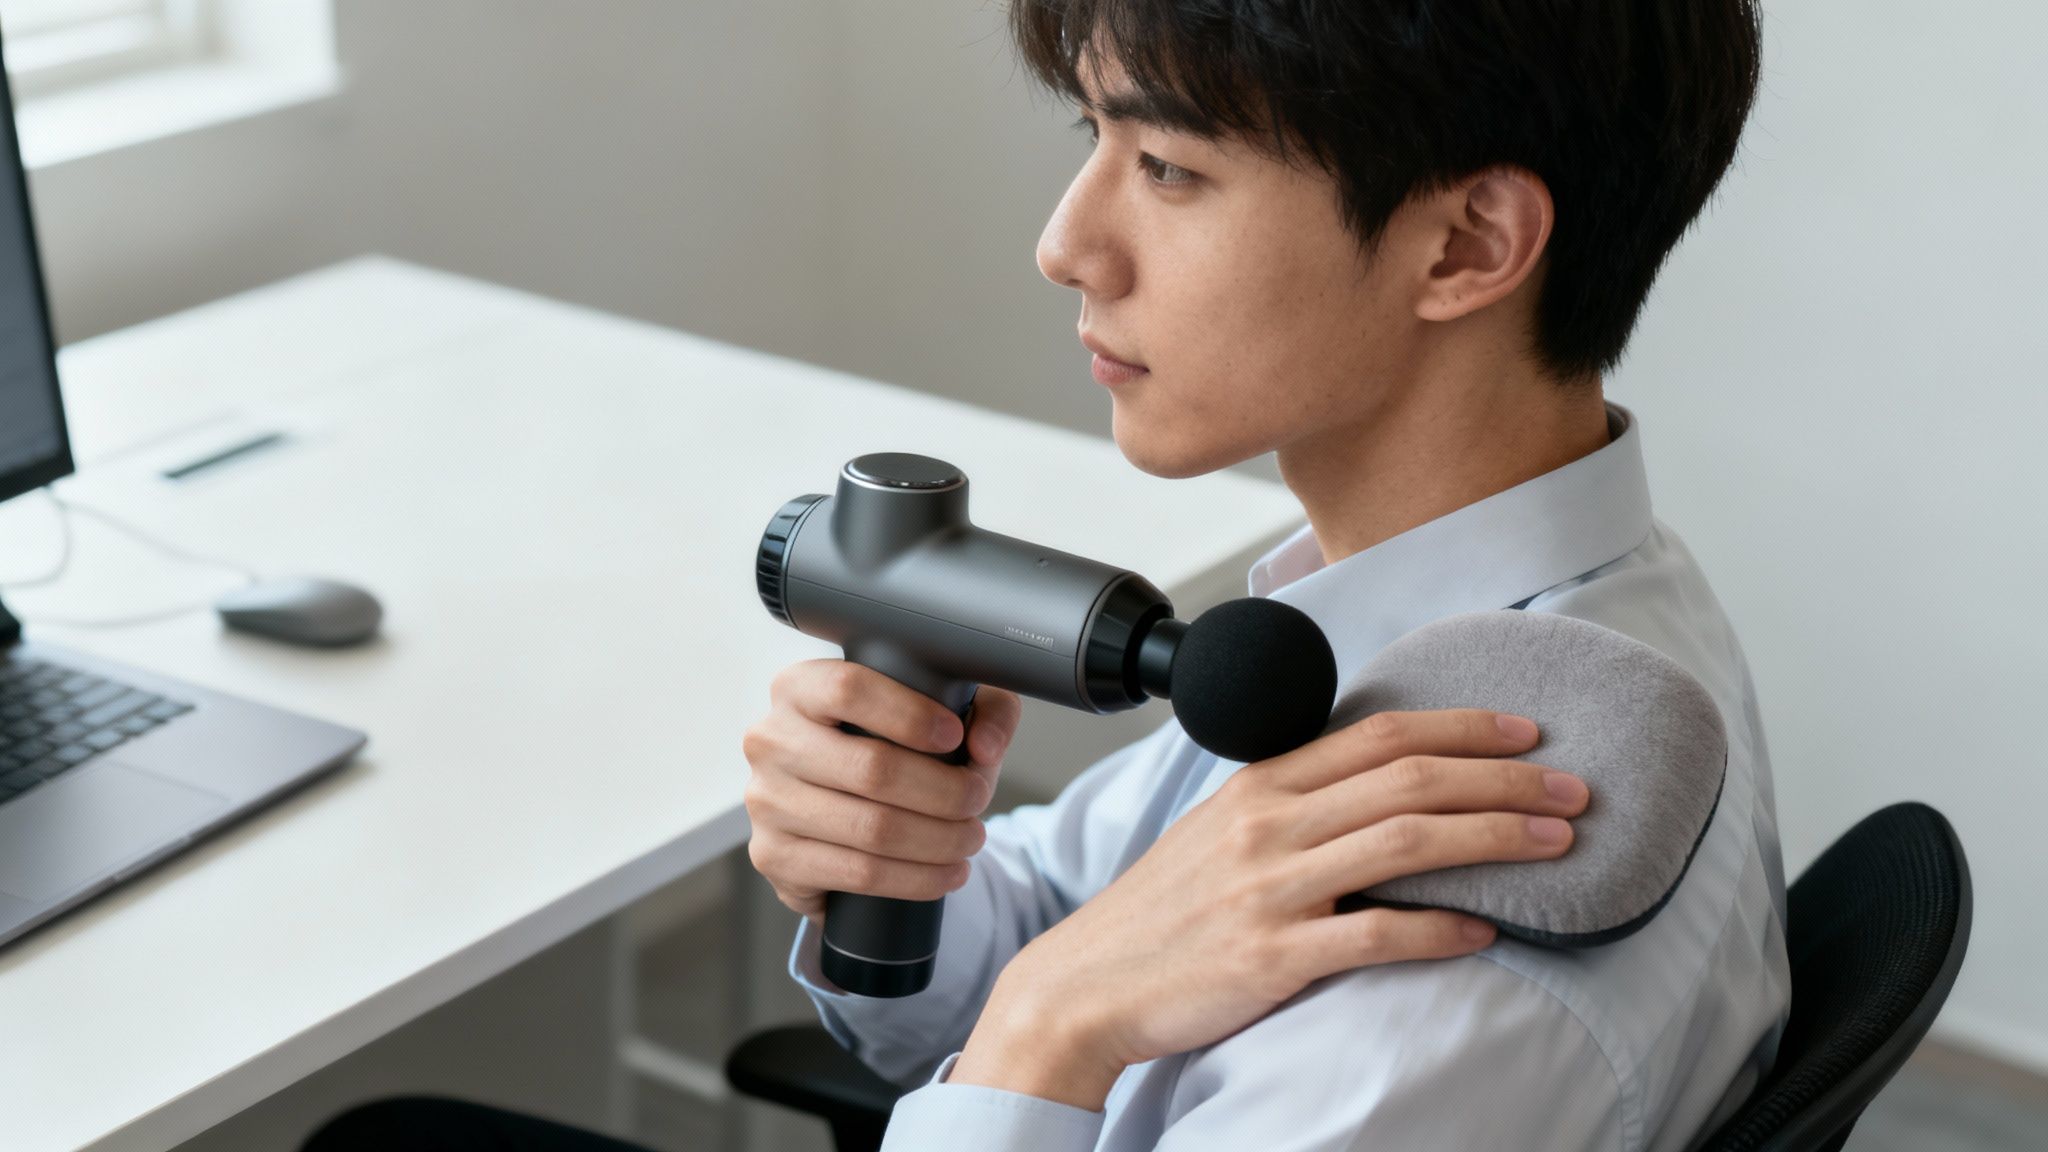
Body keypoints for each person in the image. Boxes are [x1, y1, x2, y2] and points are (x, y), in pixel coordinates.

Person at [307, 1, 1785, 1149]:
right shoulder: (1453, 624)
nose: (1067, 243)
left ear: (1466, 242)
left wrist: (1048, 1030)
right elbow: (1088, 903)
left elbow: (1082, 979)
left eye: (1168, 167)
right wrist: (912, 876)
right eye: (1088, 138)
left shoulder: (1472, 901)